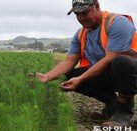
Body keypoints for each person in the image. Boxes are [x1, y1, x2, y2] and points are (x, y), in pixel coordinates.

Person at [36, 0, 137, 128]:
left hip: (130, 73)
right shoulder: (80, 34)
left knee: (121, 62)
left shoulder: (117, 23)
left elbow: (110, 59)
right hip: (109, 73)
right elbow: (69, 61)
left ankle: (124, 113)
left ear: (97, 6)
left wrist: (81, 78)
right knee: (67, 75)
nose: (81, 18)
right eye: (77, 14)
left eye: (85, 12)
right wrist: (48, 76)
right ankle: (113, 103)